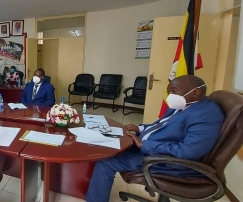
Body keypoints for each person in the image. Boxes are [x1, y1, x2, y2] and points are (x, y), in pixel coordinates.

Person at [85, 75, 225, 202]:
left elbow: (188, 151)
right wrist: (140, 129)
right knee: (105, 142)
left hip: (165, 161)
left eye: (174, 91)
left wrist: (143, 144)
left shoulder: (207, 115)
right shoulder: (185, 103)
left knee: (106, 161)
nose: (170, 95)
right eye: (168, 91)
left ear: (196, 92)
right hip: (151, 147)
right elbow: (160, 125)